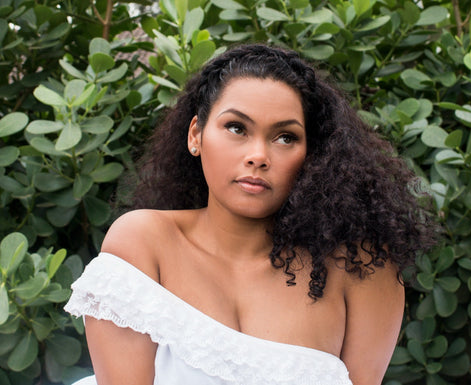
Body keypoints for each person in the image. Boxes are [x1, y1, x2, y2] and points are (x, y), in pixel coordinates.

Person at [65, 44, 436, 385]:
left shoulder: (362, 271)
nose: (258, 155)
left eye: (285, 137)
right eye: (236, 128)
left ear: (313, 154)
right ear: (196, 135)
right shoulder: (144, 244)